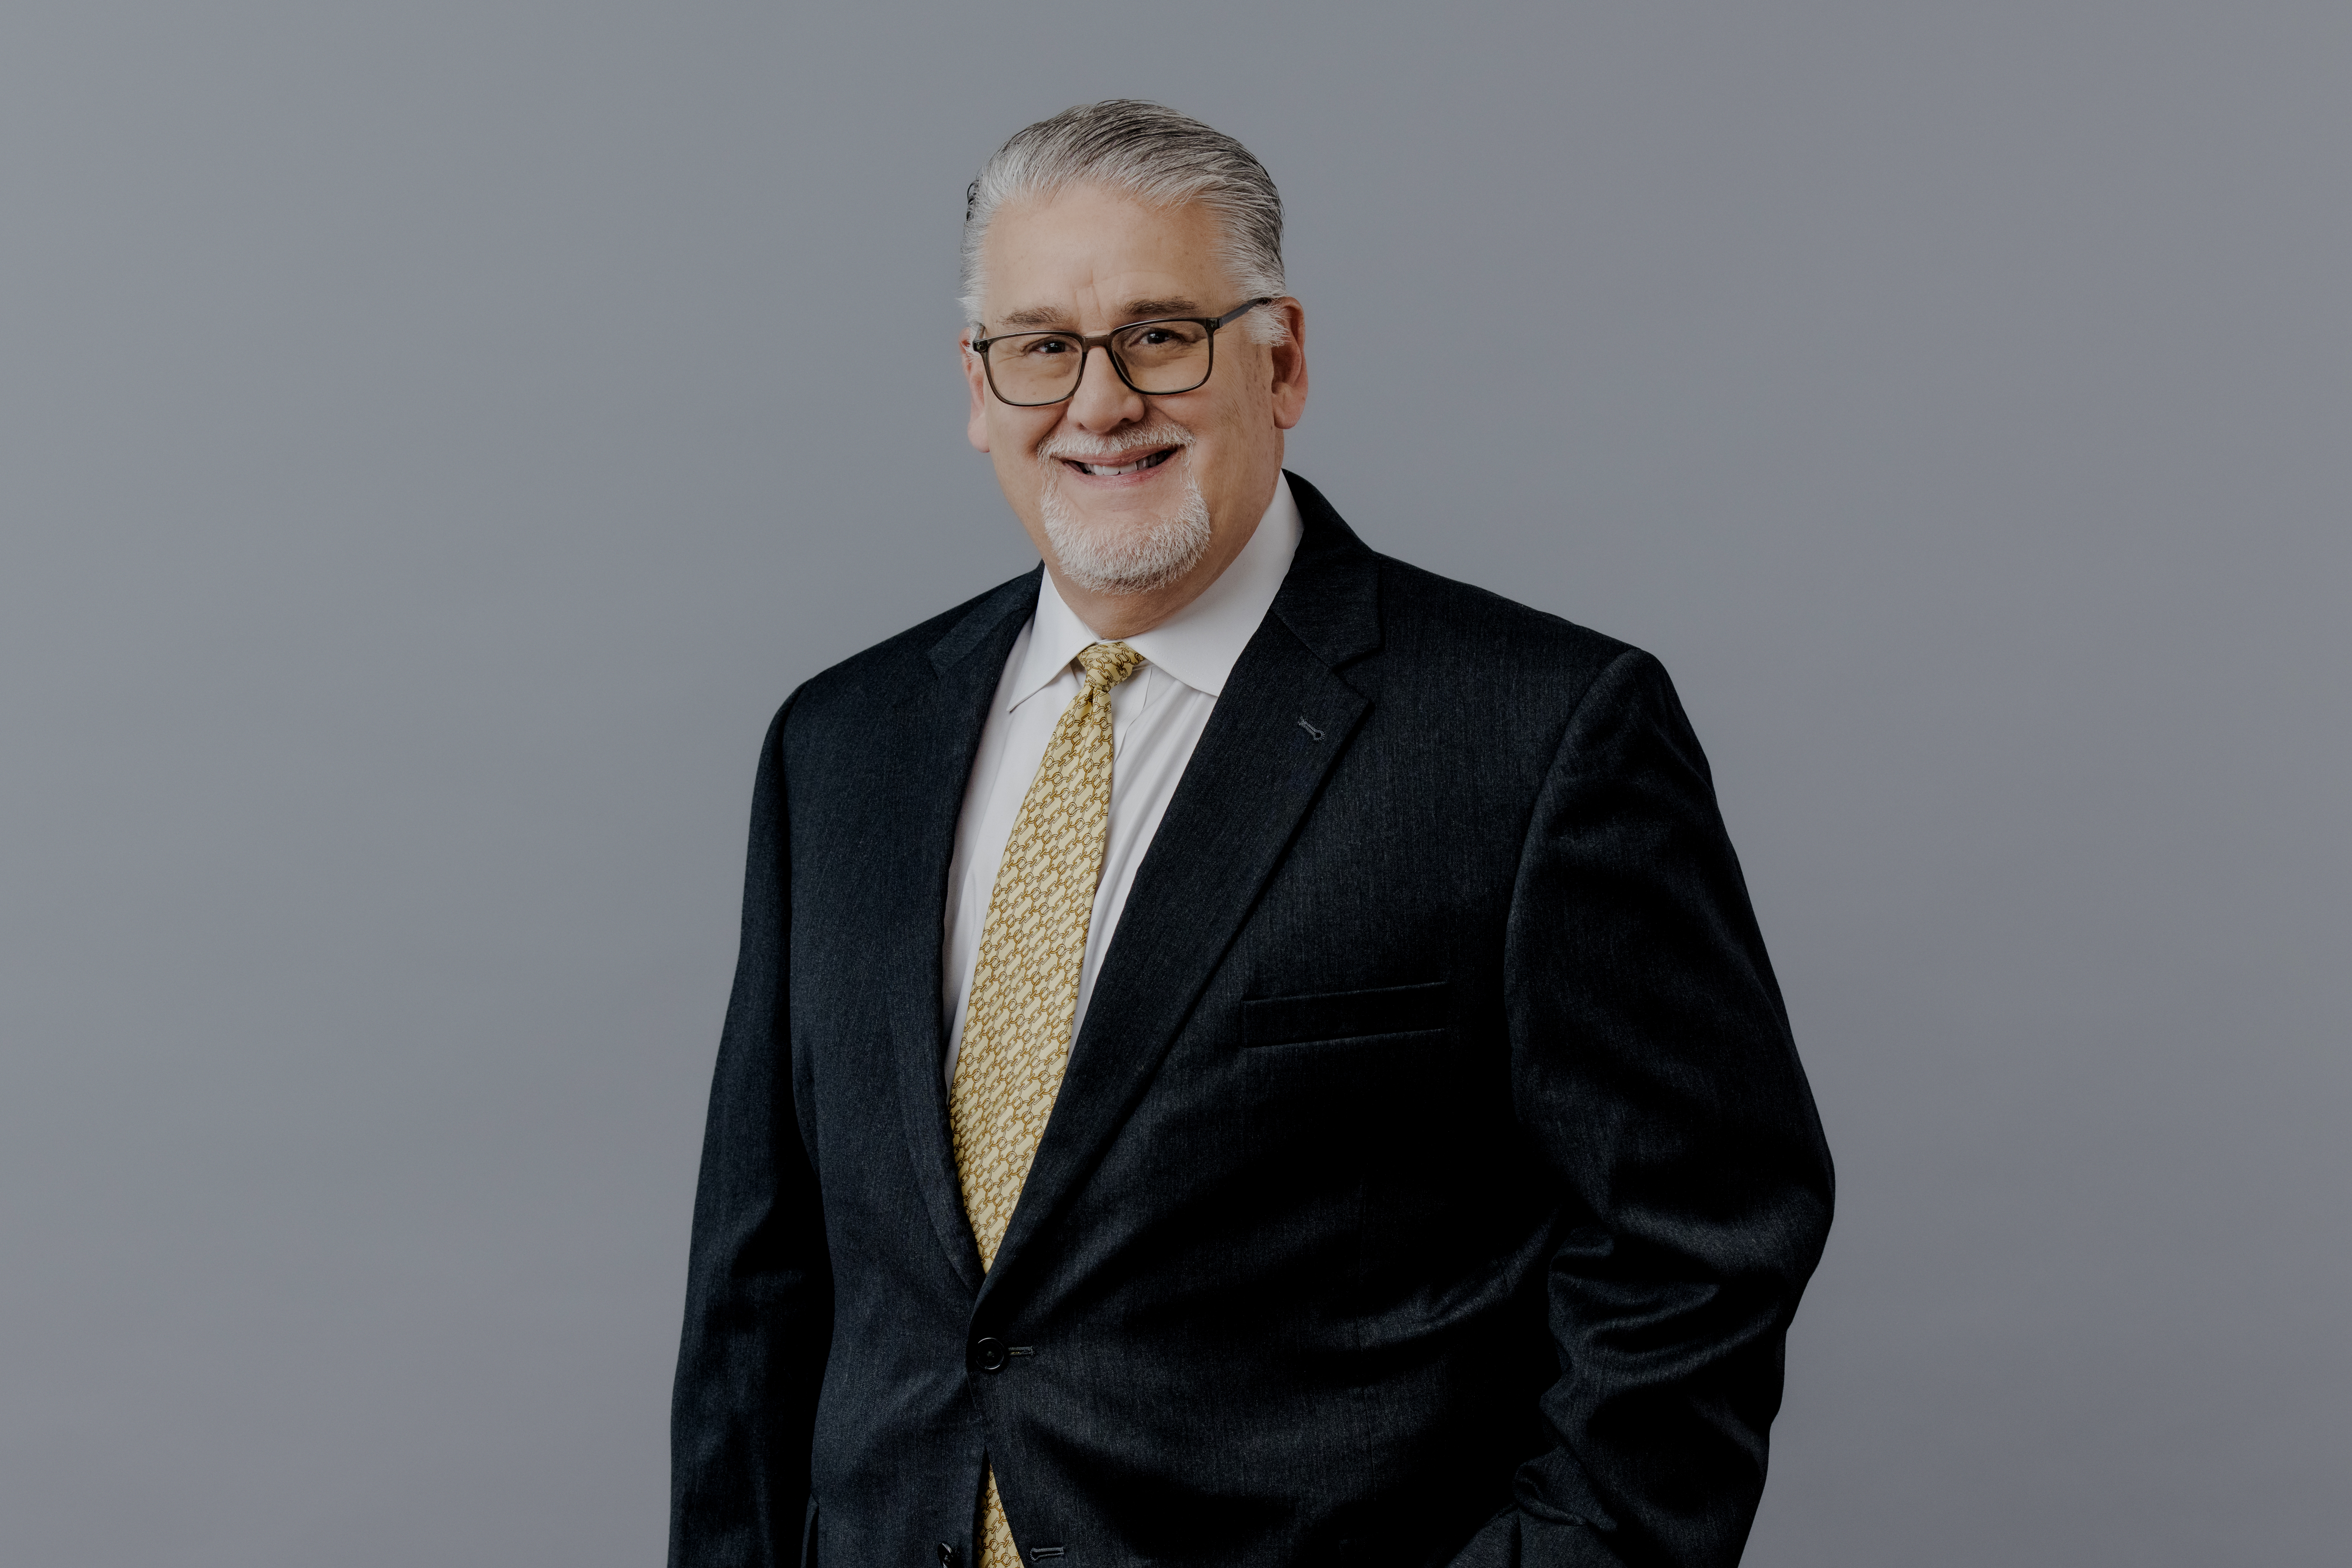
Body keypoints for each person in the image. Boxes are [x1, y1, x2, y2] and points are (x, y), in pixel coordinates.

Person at [669, 101, 1832, 1568]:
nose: (1098, 404)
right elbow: (760, 1286)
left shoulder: (1537, 736)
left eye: (1162, 335)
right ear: (976, 389)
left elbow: (1697, 1254)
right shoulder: (841, 745)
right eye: (1040, 347)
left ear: (1279, 361)